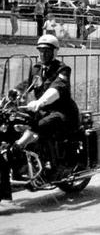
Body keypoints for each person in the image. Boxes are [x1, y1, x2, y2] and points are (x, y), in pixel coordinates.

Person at [0, 35, 80, 203]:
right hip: (42, 110)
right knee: (13, 122)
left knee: (40, 124)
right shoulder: (36, 68)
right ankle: (11, 179)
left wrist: (40, 102)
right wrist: (11, 95)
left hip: (62, 112)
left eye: (47, 51)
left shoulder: (62, 69)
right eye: (41, 51)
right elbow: (26, 85)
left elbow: (57, 89)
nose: (43, 54)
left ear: (55, 52)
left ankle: (21, 147)